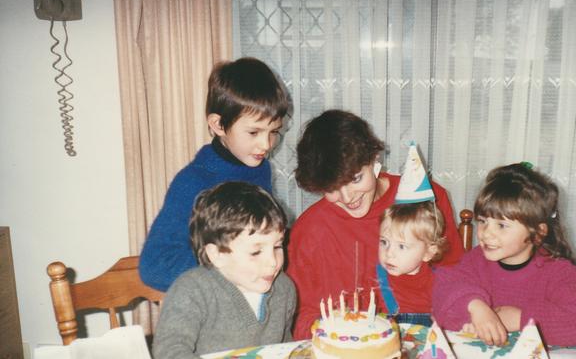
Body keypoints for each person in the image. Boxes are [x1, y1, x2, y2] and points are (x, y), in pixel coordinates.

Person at [287, 110, 465, 339]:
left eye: (355, 179)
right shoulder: (310, 229)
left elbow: (457, 278)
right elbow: (299, 315)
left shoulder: (427, 201)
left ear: (373, 159)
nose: (347, 197)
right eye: (331, 188)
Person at [139, 57, 290, 291]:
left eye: (274, 132)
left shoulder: (261, 170)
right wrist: (226, 268)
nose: (266, 144)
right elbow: (154, 266)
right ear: (218, 125)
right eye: (254, 132)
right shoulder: (192, 182)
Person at [431, 163, 576, 347]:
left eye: (501, 225)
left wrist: (520, 319)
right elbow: (443, 296)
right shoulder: (475, 261)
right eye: (483, 221)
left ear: (537, 233)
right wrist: (475, 308)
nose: (485, 233)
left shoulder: (557, 271)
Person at [153, 182, 296, 359]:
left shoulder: (285, 289)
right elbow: (169, 350)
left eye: (277, 246)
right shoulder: (192, 290)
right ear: (217, 255)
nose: (273, 262)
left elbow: (286, 347)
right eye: (256, 252)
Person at [376, 142, 449, 326]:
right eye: (384, 242)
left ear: (428, 252)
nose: (389, 253)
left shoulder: (442, 284)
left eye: (402, 246)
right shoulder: (373, 282)